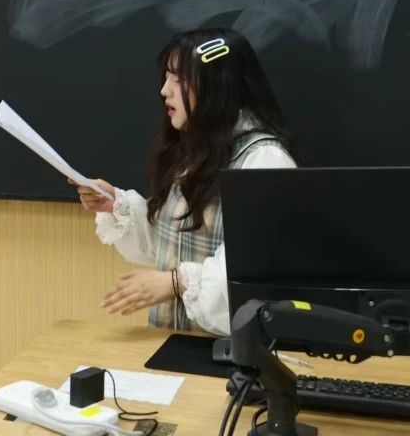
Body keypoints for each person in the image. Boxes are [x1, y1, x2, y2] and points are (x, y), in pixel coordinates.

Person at [73, 28, 296, 335]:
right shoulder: (197, 151)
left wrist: (176, 282)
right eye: (166, 77)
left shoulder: (264, 160)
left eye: (178, 79)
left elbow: (253, 271)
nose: (165, 90)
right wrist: (116, 206)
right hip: (176, 342)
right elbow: (172, 247)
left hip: (231, 355)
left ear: (217, 86)